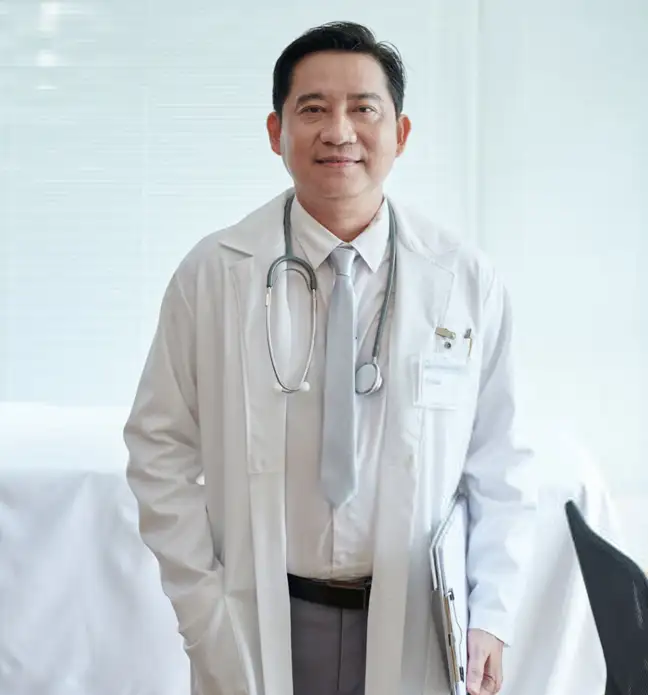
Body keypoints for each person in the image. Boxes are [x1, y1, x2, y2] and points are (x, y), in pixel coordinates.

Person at [124, 20, 536, 695]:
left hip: (416, 626)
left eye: (362, 109)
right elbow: (157, 449)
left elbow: (501, 466)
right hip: (262, 622)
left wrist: (490, 616)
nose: (338, 131)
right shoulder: (214, 273)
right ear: (275, 132)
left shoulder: (463, 280)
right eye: (312, 109)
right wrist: (202, 611)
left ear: (400, 133)